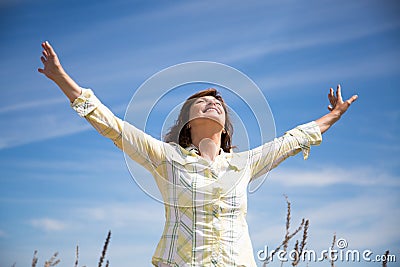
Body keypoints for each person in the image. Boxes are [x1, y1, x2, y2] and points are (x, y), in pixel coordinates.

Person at [38, 41, 358, 267]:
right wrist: (61, 79)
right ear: (187, 124)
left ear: (225, 126)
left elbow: (290, 141)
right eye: (201, 101)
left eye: (218, 103)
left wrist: (333, 115)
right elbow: (114, 127)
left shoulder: (242, 164)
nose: (213, 103)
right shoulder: (166, 158)